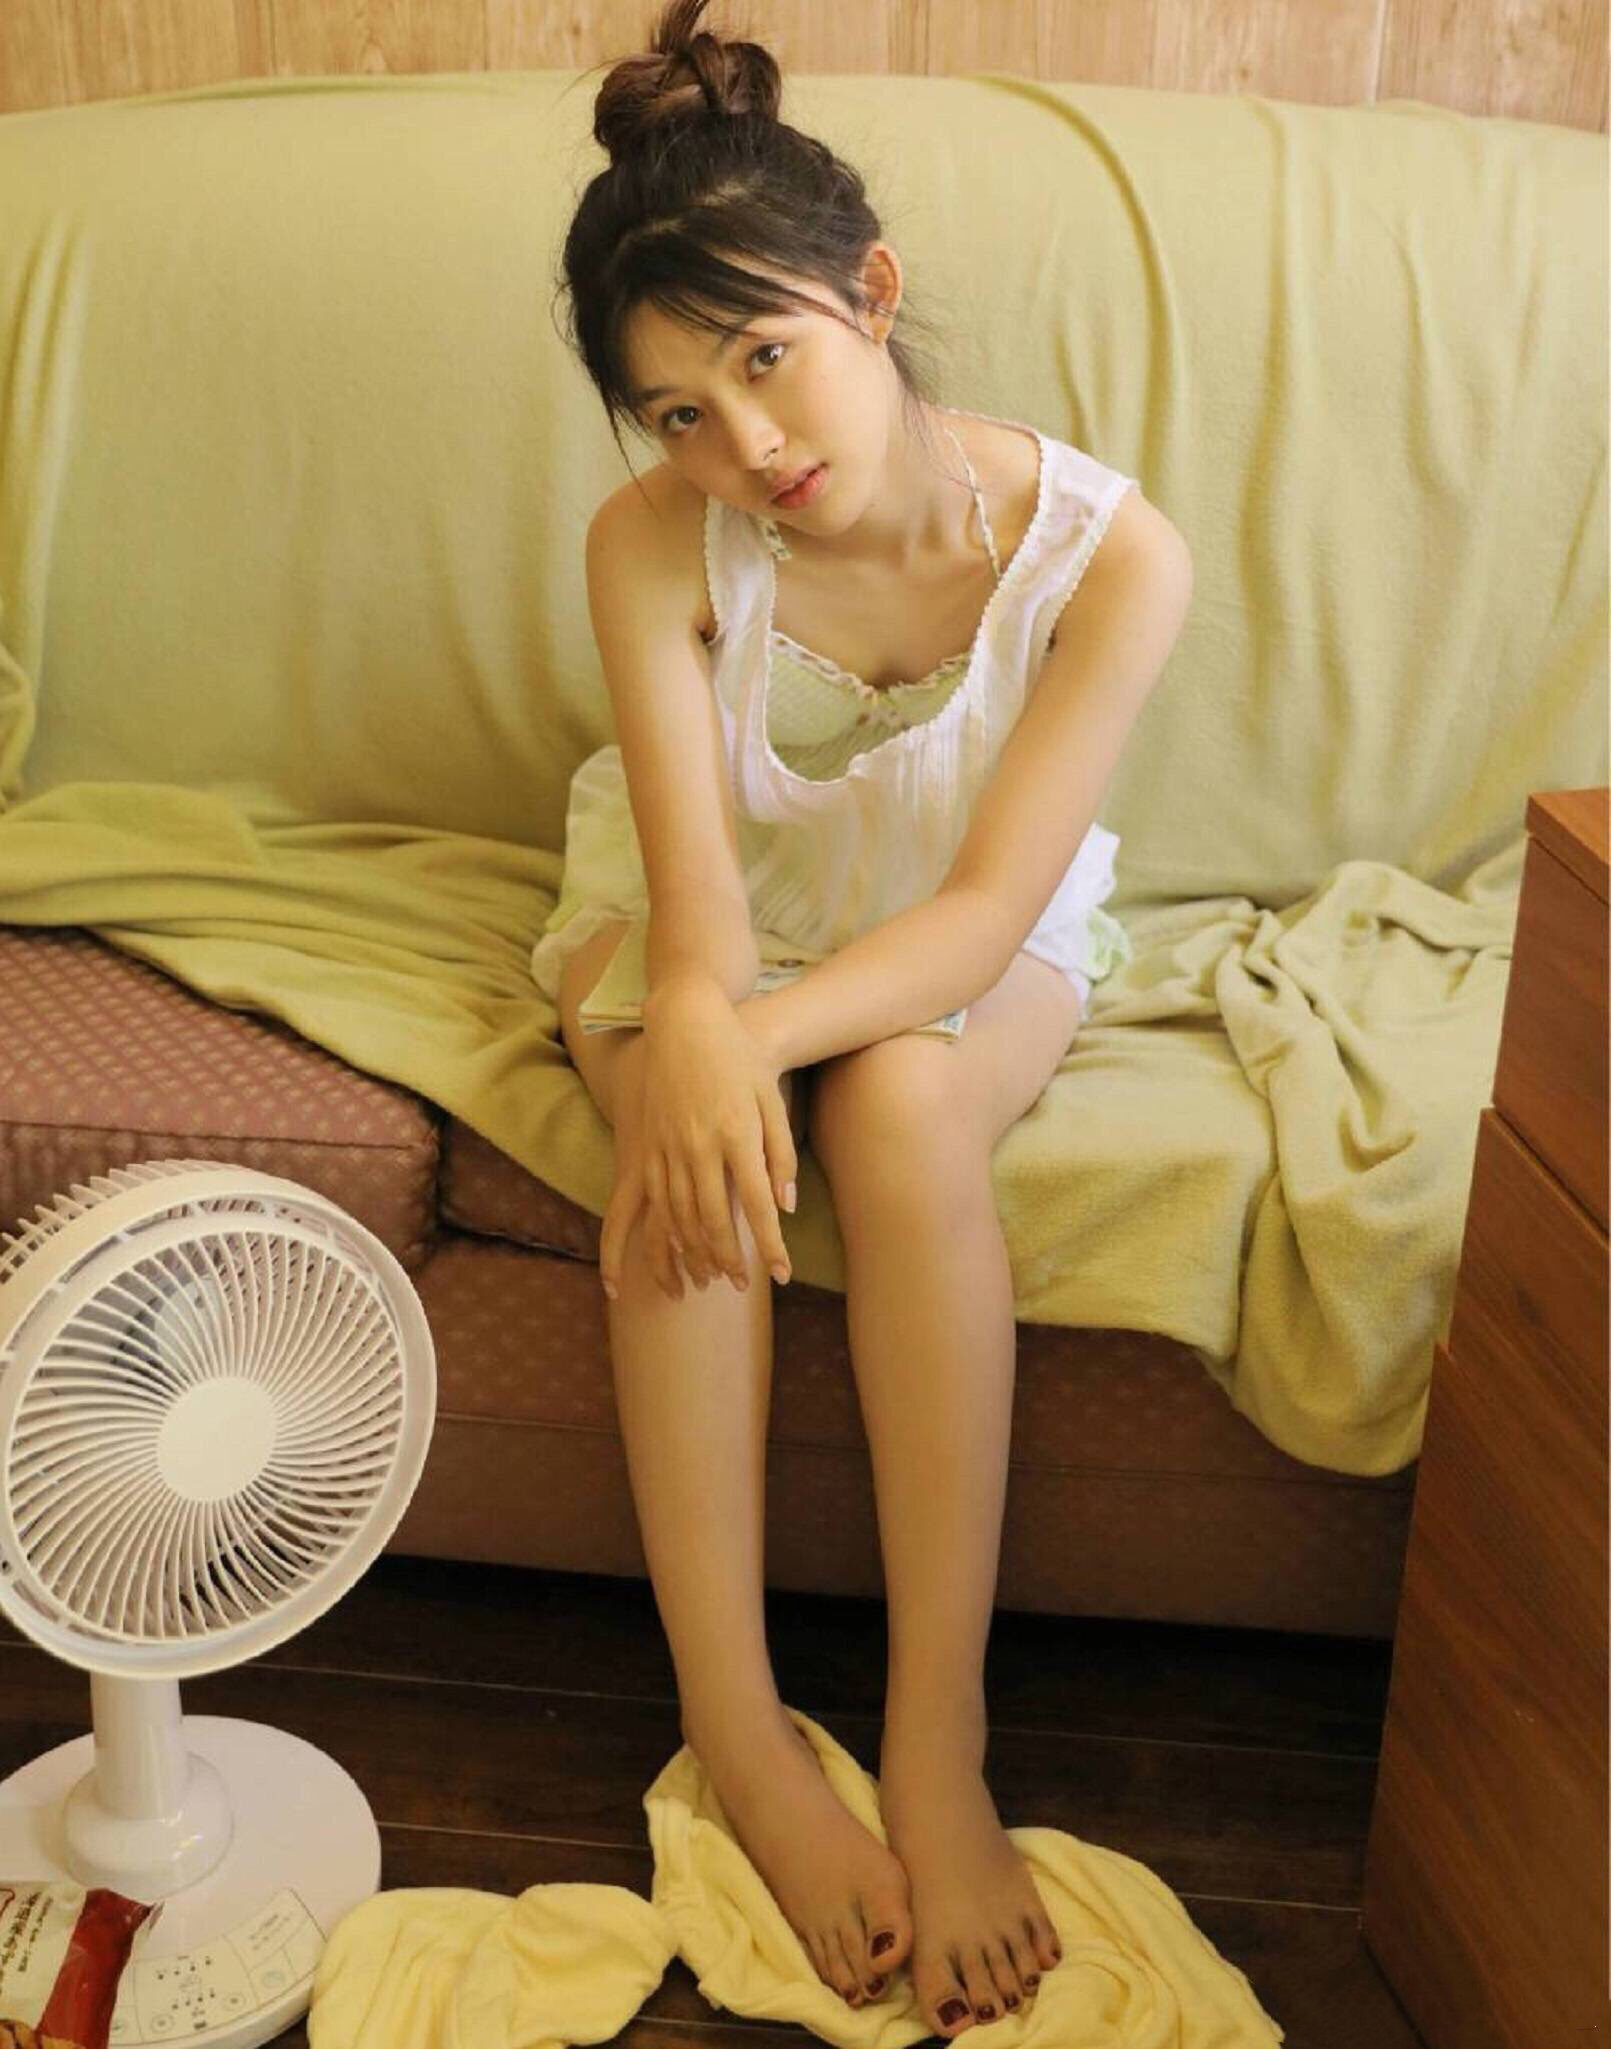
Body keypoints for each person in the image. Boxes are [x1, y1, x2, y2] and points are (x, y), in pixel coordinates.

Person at [535, 1, 1192, 2036]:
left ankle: (934, 1737)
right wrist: (699, 1030)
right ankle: (739, 1728)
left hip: (963, 925)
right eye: (677, 411)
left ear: (871, 297)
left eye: (764, 358)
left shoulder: (1109, 555)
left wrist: (759, 1036)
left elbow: (984, 911)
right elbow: (698, 918)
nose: (744, 446)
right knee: (687, 1130)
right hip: (708, 907)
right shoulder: (650, 546)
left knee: (898, 1113)